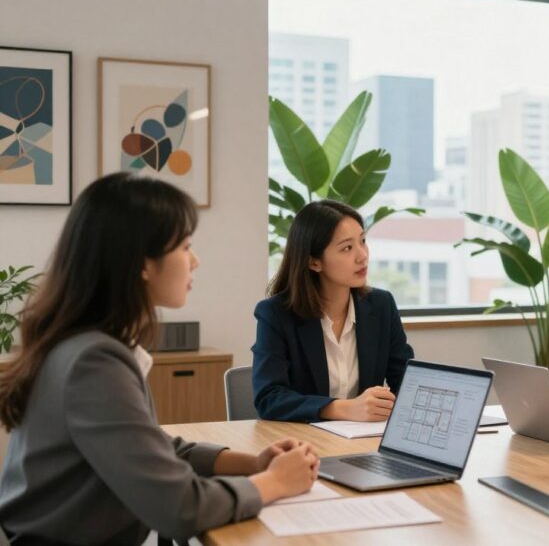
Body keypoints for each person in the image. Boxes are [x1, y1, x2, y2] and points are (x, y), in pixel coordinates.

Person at [0, 173, 318, 545]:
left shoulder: (84, 343)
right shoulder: (94, 362)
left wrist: (251, 463)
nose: (195, 261)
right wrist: (274, 482)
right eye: (184, 246)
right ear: (142, 263)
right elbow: (180, 509)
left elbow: (151, 447)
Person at [252, 200, 413, 423]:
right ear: (314, 262)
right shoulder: (276, 314)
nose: (362, 255)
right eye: (347, 248)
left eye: (363, 241)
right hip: (303, 445)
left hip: (364, 442)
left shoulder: (381, 305)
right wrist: (341, 409)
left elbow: (407, 382)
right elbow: (269, 398)